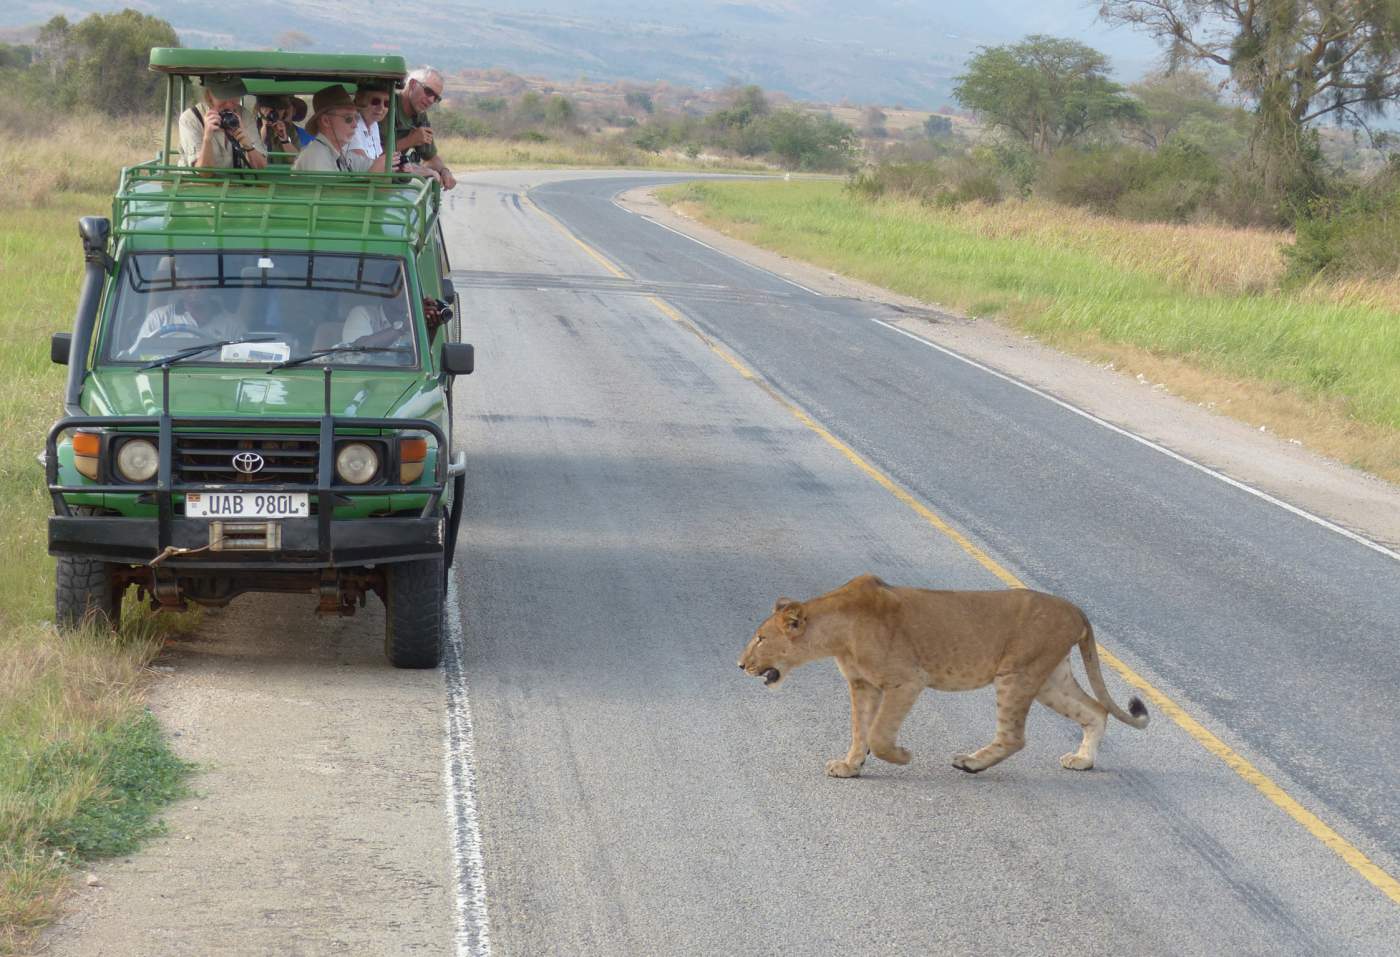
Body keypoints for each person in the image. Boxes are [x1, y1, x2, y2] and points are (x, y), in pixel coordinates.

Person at [178, 75, 269, 171]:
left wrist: (249, 146)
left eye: (234, 96)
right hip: (197, 185)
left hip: (234, 184)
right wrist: (207, 140)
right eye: (223, 96)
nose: (229, 104)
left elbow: (261, 168)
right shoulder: (191, 119)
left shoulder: (245, 116)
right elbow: (203, 173)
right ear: (208, 95)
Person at [389, 67, 456, 189]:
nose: (431, 100)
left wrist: (445, 171)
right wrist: (410, 140)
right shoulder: (385, 107)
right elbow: (374, 156)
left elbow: (431, 157)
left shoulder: (420, 116)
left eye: (436, 98)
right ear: (413, 84)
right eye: (428, 91)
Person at [292, 86, 362, 173]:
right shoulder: (316, 155)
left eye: (357, 118)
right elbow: (332, 187)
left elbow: (372, 164)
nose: (355, 125)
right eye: (348, 118)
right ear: (326, 121)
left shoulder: (342, 154)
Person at [347, 84, 390, 173]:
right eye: (375, 101)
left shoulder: (374, 125)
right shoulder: (352, 124)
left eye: (386, 103)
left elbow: (377, 158)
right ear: (360, 100)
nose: (381, 107)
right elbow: (364, 164)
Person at [255, 95, 301, 159]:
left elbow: (297, 160)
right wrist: (263, 133)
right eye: (267, 108)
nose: (274, 113)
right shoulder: (252, 126)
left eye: (279, 109)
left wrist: (284, 140)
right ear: (261, 109)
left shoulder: (289, 129)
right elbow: (252, 162)